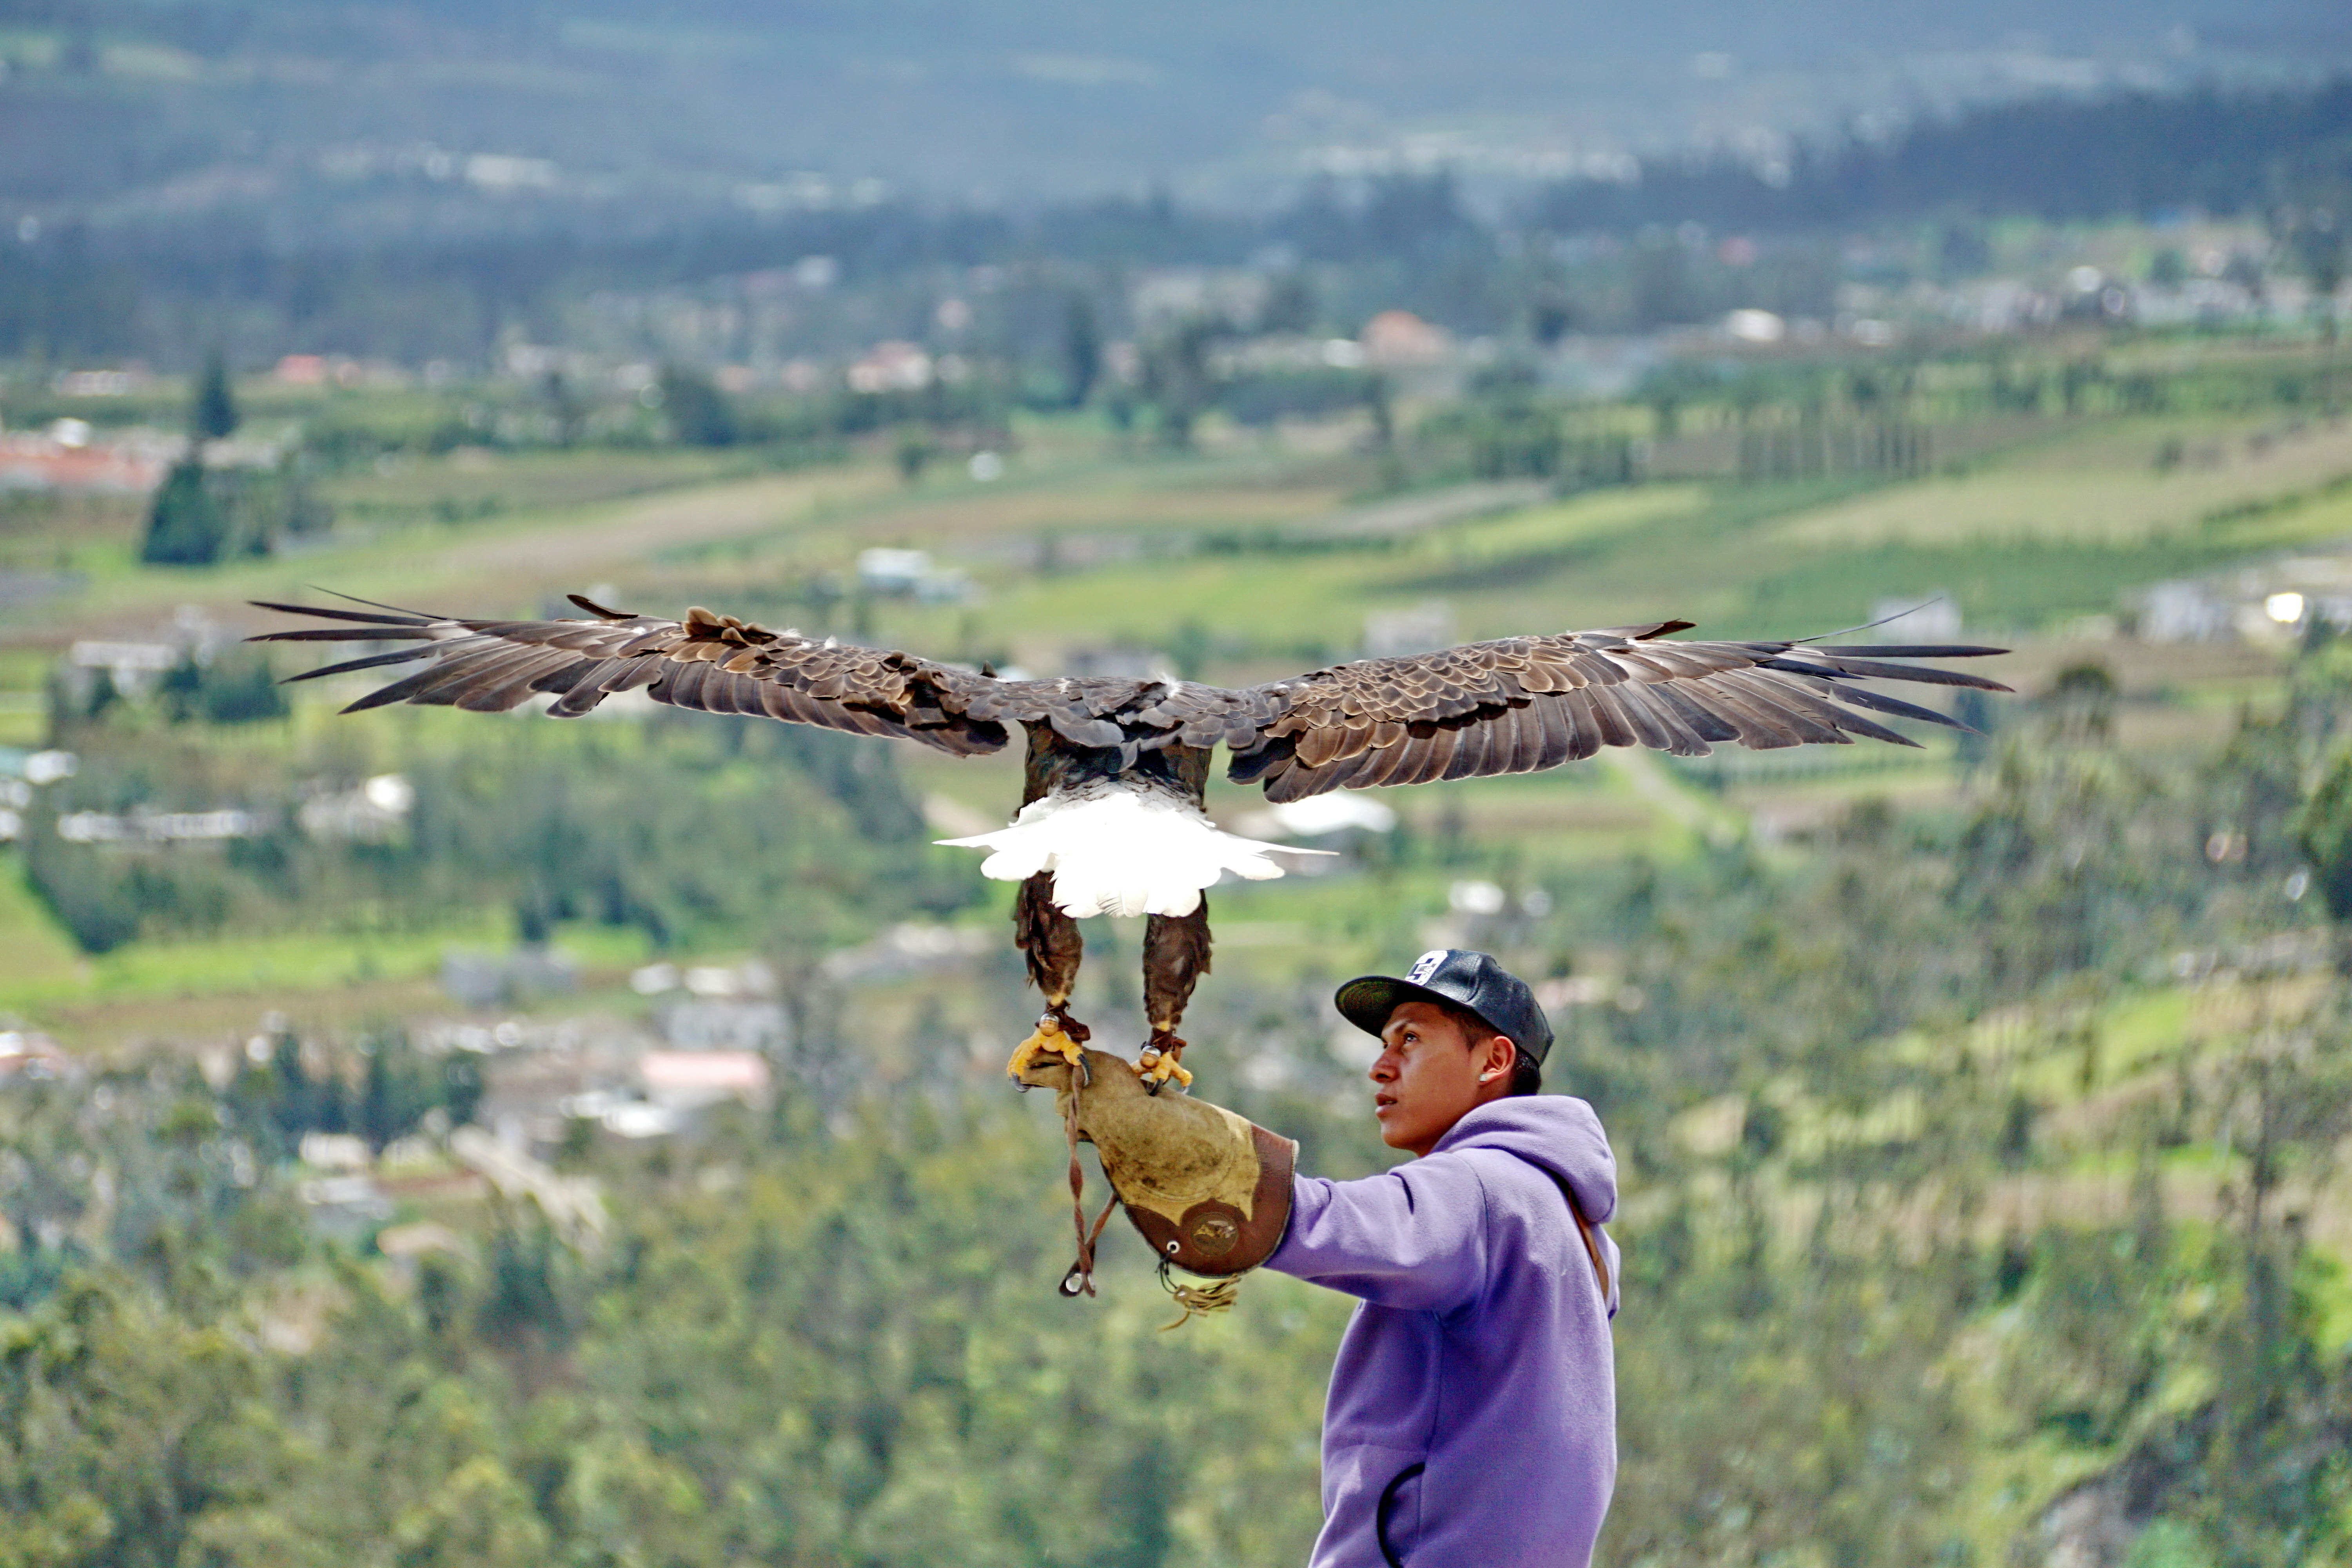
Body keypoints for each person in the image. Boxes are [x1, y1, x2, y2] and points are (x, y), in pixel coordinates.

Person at [1266, 948, 1620, 1568]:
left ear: (1494, 1060)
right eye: (1384, 1042)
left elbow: (1321, 1223)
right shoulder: (1575, 1223)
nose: (1380, 1066)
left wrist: (1177, 1157)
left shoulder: (1479, 1190)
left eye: (1410, 1039)